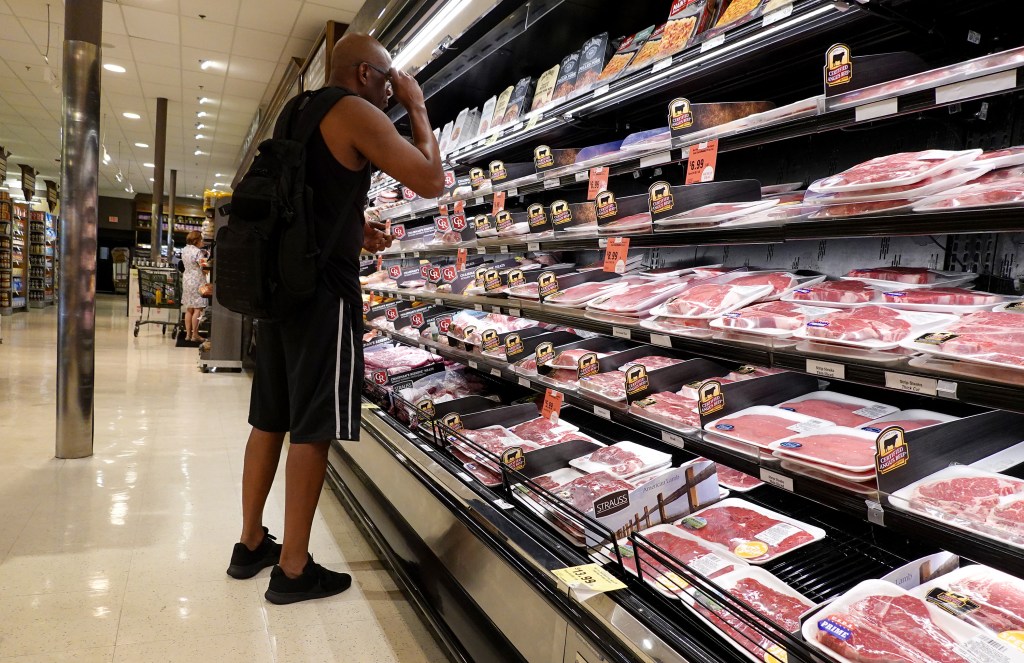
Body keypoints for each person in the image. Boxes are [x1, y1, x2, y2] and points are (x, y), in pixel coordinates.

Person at [227, 33, 444, 605]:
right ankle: (294, 570)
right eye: (389, 81)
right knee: (315, 427)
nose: (392, 94)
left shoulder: (295, 110)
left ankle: (251, 543)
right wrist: (418, 106)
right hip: (324, 298)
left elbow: (312, 196)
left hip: (279, 289)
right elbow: (430, 179)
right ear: (369, 76)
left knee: (269, 418)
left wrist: (355, 230)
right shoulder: (355, 111)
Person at [180, 231, 208, 343]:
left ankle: (188, 334)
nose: (202, 242)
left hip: (187, 280)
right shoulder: (198, 252)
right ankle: (195, 334)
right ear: (196, 240)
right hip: (197, 280)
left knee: (189, 308)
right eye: (201, 240)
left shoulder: (184, 250)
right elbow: (204, 266)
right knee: (198, 308)